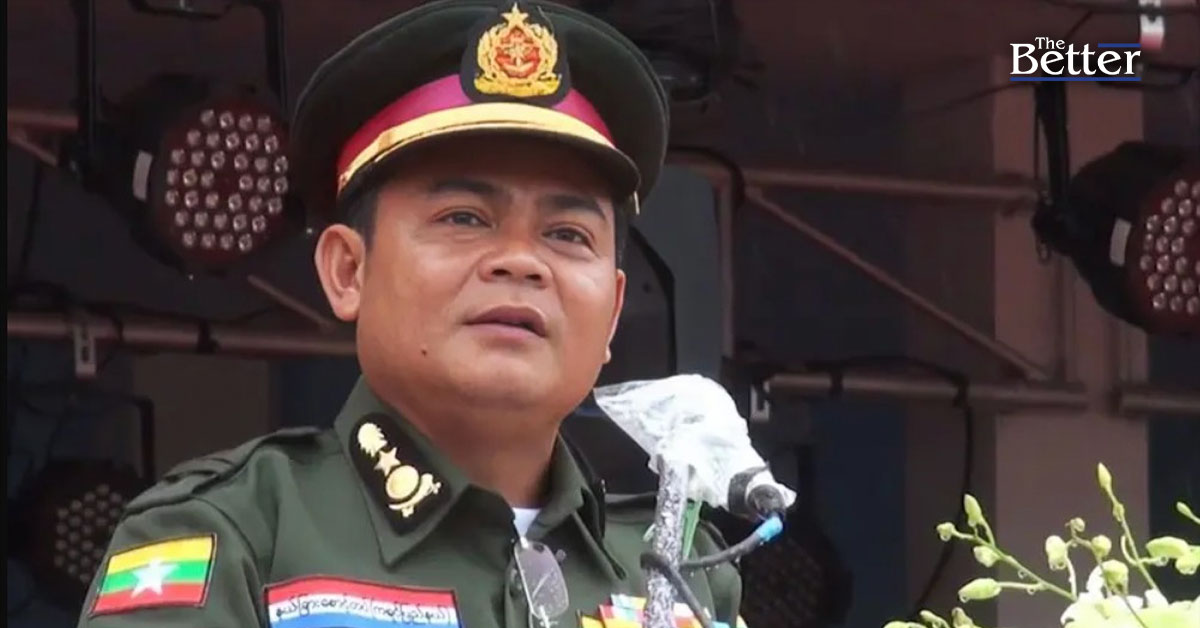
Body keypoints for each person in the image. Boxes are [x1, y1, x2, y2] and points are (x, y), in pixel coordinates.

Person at [77, 1, 745, 626]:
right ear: (348, 271)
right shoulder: (236, 535)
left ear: (614, 311)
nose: (522, 262)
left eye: (567, 234)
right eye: (463, 218)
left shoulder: (682, 574)